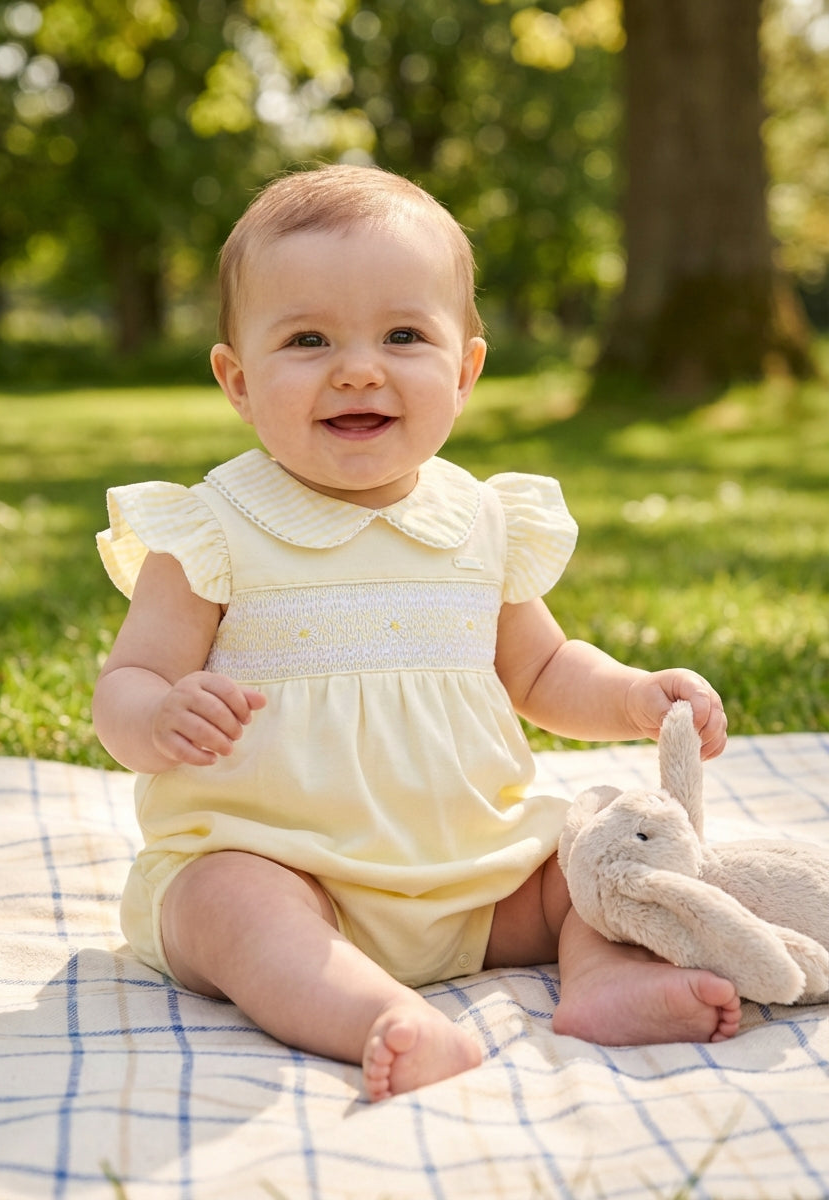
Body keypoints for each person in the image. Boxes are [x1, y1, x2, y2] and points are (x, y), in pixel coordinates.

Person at [93, 164, 736, 1103]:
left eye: (403, 335)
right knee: (226, 904)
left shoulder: (481, 520)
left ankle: (602, 982)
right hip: (286, 868)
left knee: (593, 852)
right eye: (308, 339)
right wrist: (160, 715)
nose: (360, 367)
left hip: (477, 880)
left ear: (465, 371)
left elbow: (546, 670)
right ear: (237, 379)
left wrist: (635, 694)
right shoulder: (212, 529)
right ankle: (375, 1017)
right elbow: (125, 686)